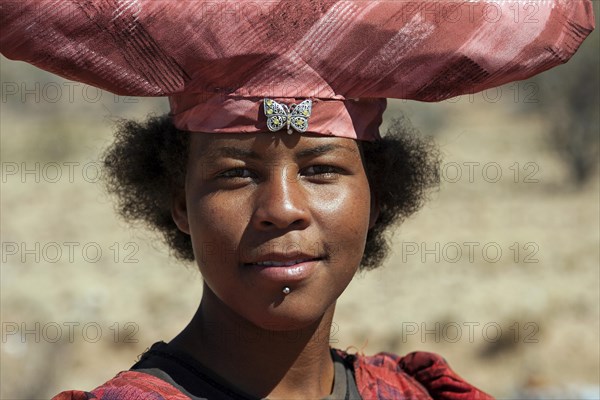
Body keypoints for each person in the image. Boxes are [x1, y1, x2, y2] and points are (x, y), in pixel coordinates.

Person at [0, 1, 594, 399]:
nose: (282, 207)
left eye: (320, 168)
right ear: (178, 201)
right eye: (236, 174)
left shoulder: (411, 394)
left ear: (377, 197)